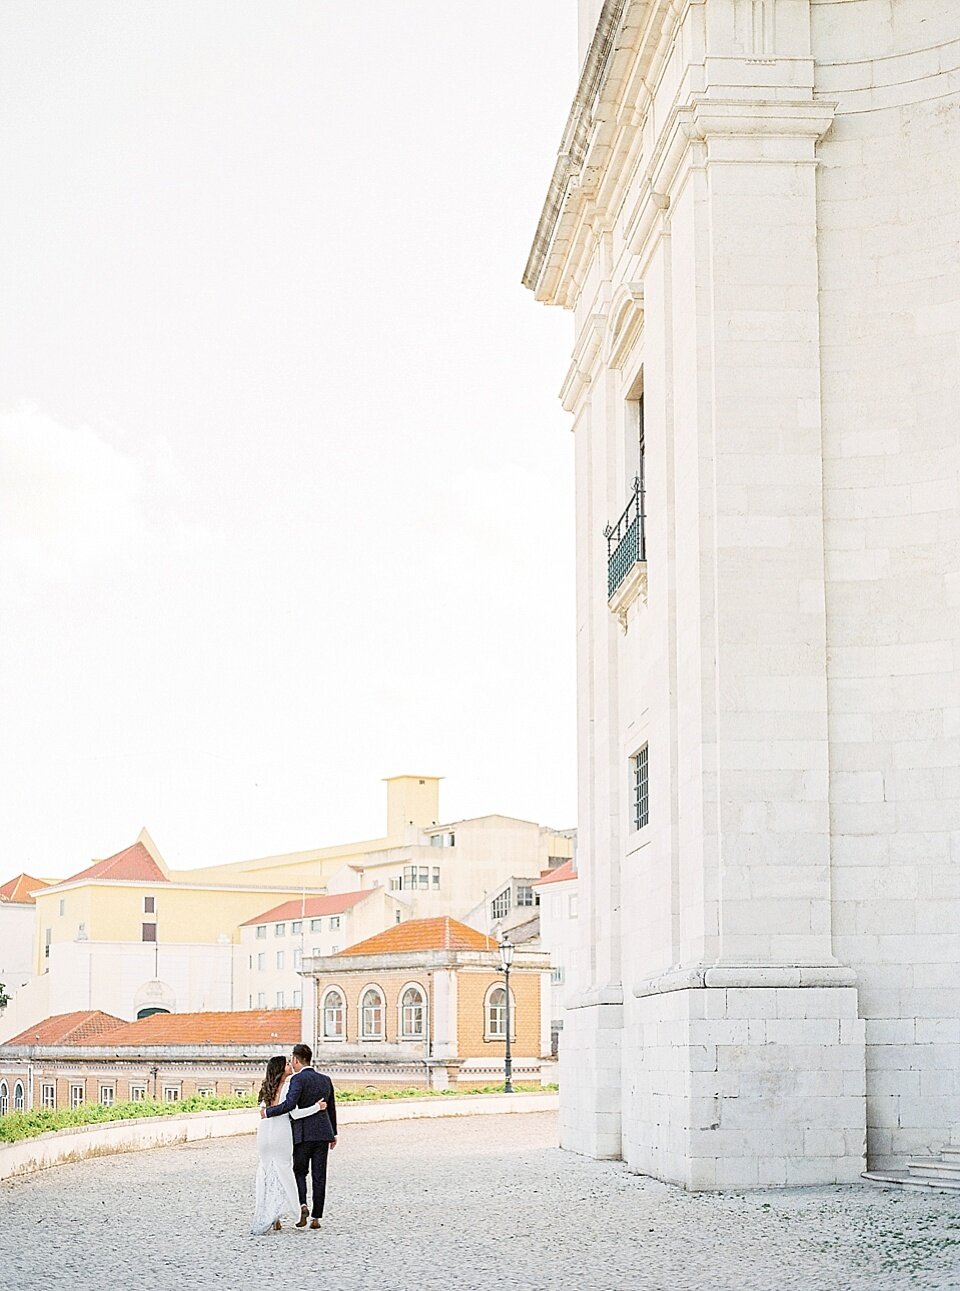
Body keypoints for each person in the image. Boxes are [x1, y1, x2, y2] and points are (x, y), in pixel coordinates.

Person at [262, 1042, 337, 1230]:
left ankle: (302, 1204)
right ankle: (316, 1218)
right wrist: (333, 1133)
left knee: (300, 1172)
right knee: (320, 1175)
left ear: (295, 1059)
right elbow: (332, 1108)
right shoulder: (325, 1079)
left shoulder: (297, 1080)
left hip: (302, 1134)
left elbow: (290, 1106)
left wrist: (268, 1112)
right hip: (323, 1133)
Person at [250, 1054, 326, 1236]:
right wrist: (317, 1107)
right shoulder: (290, 1085)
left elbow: (263, 1111)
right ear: (280, 1069)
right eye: (286, 1063)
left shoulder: (266, 1087)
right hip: (281, 1132)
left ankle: (272, 1216)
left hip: (264, 1134)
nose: (290, 1065)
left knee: (267, 1172)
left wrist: (268, 1112)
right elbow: (294, 1113)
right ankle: (298, 1210)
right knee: (284, 1171)